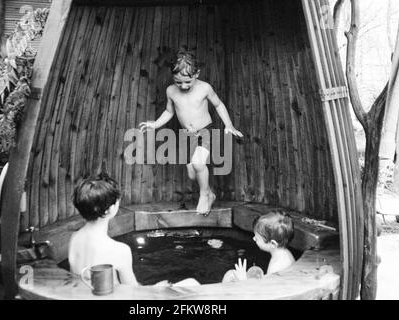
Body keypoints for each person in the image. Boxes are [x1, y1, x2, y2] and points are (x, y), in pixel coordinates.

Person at [139, 50, 243, 216]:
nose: (183, 86)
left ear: (197, 74)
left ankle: (204, 195)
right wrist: (155, 124)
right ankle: (210, 192)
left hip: (205, 132)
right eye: (178, 82)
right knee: (192, 173)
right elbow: (169, 111)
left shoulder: (204, 88)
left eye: (187, 81)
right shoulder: (171, 91)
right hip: (187, 136)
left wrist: (228, 125)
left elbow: (218, 105)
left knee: (199, 164)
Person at [68, 174, 199, 287]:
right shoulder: (118, 250)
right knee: (192, 284)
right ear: (110, 209)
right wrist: (155, 289)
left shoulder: (74, 238)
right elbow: (133, 292)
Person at [222, 211, 295, 282]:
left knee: (230, 275)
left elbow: (268, 293)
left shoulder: (275, 267)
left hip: (269, 292)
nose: (254, 239)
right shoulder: (286, 254)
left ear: (273, 244)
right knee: (231, 274)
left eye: (257, 238)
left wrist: (243, 280)